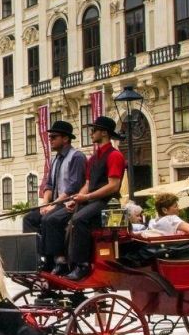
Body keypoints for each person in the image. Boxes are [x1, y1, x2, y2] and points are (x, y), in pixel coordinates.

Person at [62, 116, 127, 281]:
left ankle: (82, 265)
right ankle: (65, 262)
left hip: (108, 202)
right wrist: (76, 199)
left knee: (79, 219)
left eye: (94, 130)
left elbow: (113, 186)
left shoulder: (115, 155)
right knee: (67, 219)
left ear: (104, 133)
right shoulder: (93, 158)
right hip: (93, 200)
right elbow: (88, 184)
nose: (91, 133)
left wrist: (87, 196)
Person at [22, 121, 87, 273]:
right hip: (55, 203)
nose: (50, 139)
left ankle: (59, 260)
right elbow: (49, 185)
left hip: (71, 203)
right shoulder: (54, 159)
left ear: (65, 138)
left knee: (49, 219)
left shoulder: (77, 157)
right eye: (50, 137)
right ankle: (38, 257)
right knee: (29, 219)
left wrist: (53, 205)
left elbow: (74, 186)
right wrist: (45, 203)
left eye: (54, 137)